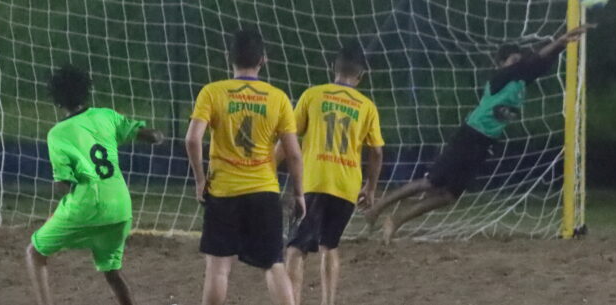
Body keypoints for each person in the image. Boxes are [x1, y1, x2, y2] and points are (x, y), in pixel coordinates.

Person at [364, 25, 593, 245]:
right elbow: (534, 61)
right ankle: (379, 206)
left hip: (485, 144)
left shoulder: (520, 80)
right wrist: (558, 42)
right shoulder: (500, 78)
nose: (517, 63)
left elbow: (538, 64)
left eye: (518, 60)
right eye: (512, 60)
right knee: (430, 181)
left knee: (449, 196)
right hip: (470, 135)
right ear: (501, 63)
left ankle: (396, 220)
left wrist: (562, 44)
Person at [26, 65, 164, 305]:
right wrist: (156, 135)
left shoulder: (58, 134)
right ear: (86, 92)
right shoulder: (106, 116)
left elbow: (63, 184)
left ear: (57, 101)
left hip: (87, 206)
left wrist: (63, 212)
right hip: (121, 207)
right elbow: (148, 135)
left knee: (35, 253)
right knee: (111, 272)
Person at [185, 29, 304, 305]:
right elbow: (294, 154)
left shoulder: (212, 92)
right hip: (264, 191)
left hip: (224, 191)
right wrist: (299, 193)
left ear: (230, 59)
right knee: (273, 264)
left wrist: (200, 180)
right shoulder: (278, 98)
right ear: (263, 60)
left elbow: (192, 139)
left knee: (218, 267)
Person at [280, 45, 384, 305]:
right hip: (346, 186)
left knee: (295, 248)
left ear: (333, 69)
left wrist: (267, 166)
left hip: (313, 182)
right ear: (361, 76)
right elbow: (377, 153)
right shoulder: (366, 106)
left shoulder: (313, 95)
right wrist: (370, 188)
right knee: (330, 246)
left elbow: (289, 140)